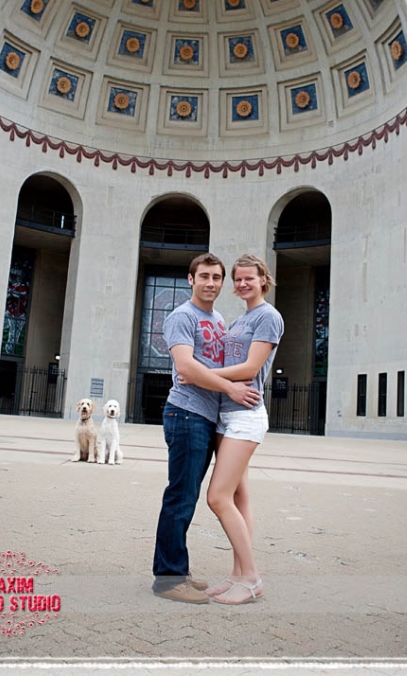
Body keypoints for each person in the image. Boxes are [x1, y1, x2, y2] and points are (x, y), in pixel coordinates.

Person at [152, 252, 260, 604]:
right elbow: (186, 366)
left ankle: (178, 571)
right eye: (204, 277)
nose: (211, 283)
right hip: (186, 413)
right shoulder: (182, 316)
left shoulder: (218, 317)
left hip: (209, 418)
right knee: (181, 496)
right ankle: (168, 579)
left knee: (193, 496)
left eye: (216, 277)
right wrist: (230, 388)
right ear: (191, 279)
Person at [176, 253, 284, 605]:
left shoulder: (268, 316)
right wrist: (207, 376)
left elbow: (251, 367)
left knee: (217, 497)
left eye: (248, 278)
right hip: (226, 413)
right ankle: (237, 574)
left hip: (245, 414)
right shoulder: (240, 319)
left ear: (263, 280)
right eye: (237, 279)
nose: (242, 284)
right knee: (239, 497)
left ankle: (252, 578)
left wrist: (197, 374)